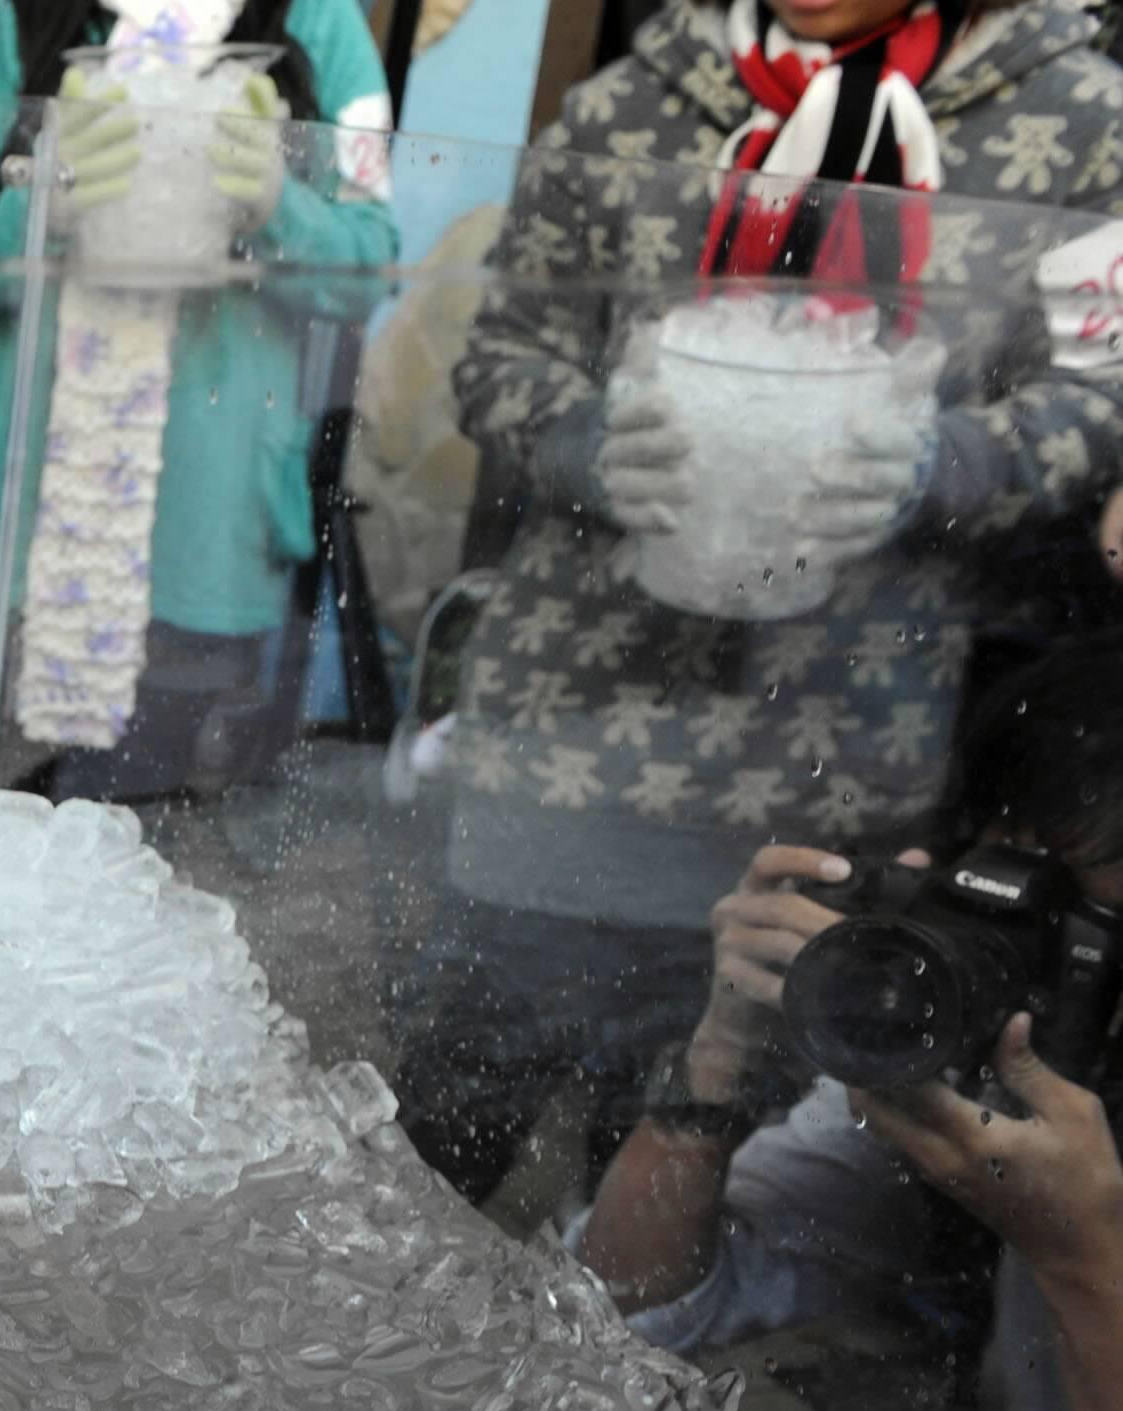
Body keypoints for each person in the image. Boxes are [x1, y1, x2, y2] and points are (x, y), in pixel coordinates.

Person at [403, 0, 1123, 1209]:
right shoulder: (637, 100)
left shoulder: (1077, 118)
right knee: (442, 1139)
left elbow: (1104, 389)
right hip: (572, 734)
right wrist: (580, 439)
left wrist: (948, 463)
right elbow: (503, 349)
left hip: (838, 762)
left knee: (710, 1178)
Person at [577, 653, 1123, 1411]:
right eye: (999, 876)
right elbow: (624, 1312)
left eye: (1078, 919)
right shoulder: (984, 1065)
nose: (1020, 937)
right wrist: (717, 1065)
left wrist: (1082, 1257)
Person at [0, 0, 399, 785]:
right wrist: (41, 207)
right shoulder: (18, 17)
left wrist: (278, 207)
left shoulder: (316, 20)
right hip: (10, 557)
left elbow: (370, 268)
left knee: (158, 849)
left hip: (206, 555)